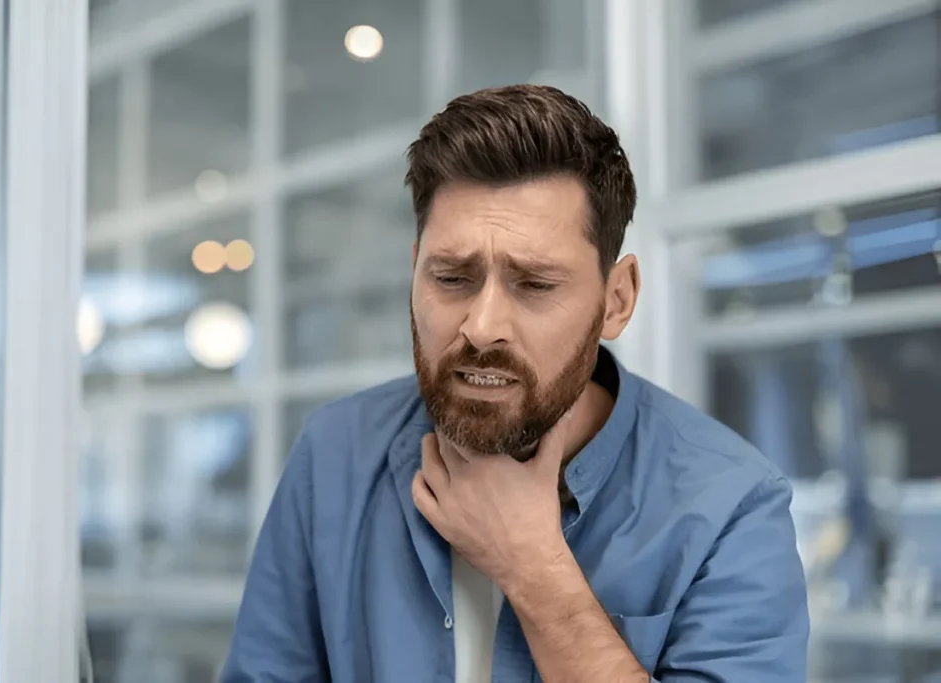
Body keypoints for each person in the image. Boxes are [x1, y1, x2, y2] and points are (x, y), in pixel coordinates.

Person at [221, 84, 809, 683]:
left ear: (617, 299)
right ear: (415, 270)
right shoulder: (336, 455)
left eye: (534, 284)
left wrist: (534, 568)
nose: (481, 328)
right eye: (452, 278)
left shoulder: (732, 507)